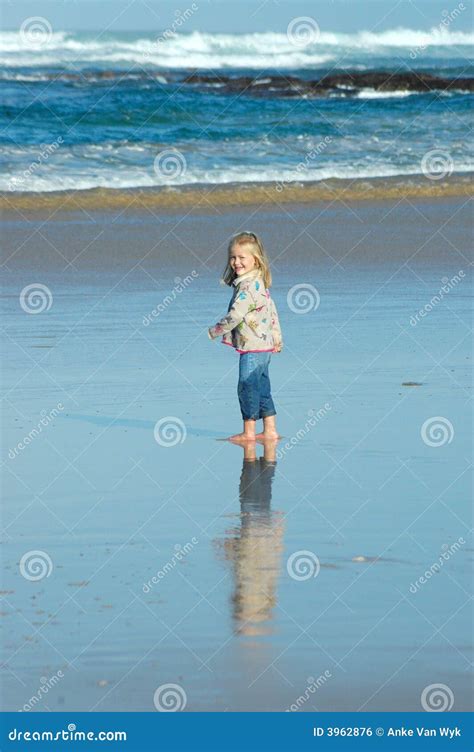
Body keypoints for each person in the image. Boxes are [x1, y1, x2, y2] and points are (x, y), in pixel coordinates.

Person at [208, 231, 283, 443]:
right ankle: (270, 429)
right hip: (264, 346)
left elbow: (236, 315)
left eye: (242, 258)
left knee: (247, 385)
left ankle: (249, 432)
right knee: (262, 385)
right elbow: (272, 312)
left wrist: (216, 330)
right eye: (233, 257)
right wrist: (276, 338)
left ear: (255, 259)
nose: (236, 262)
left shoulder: (248, 287)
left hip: (252, 346)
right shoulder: (258, 282)